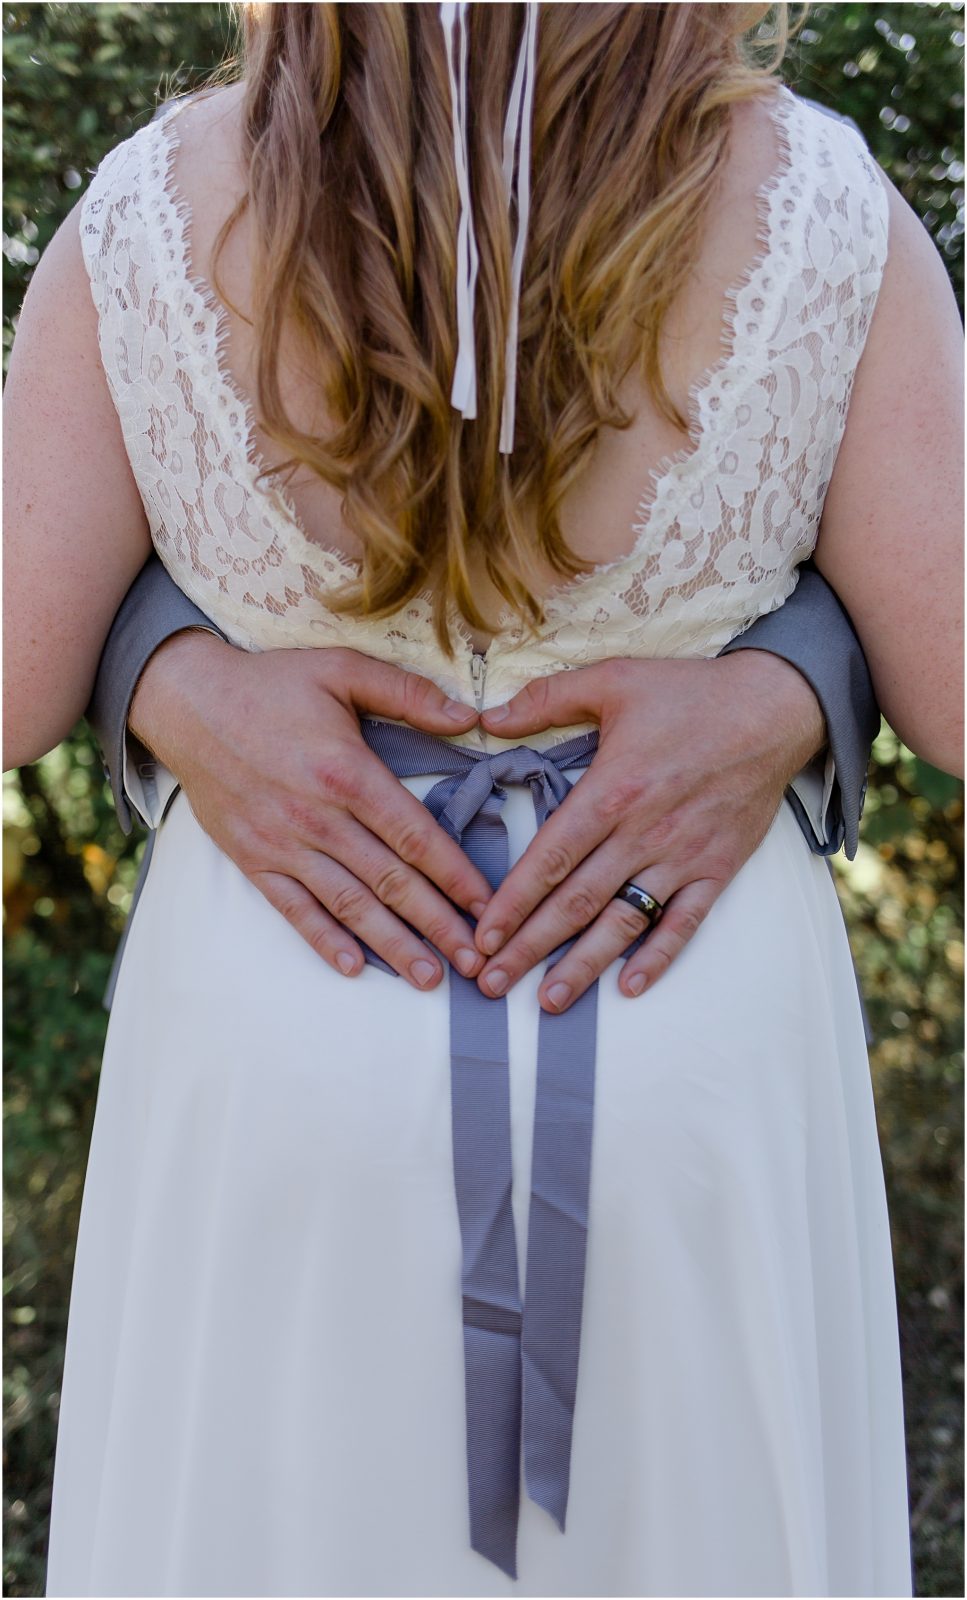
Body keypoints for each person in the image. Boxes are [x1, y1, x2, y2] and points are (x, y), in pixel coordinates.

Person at [4, 3, 962, 1595]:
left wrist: (154, 662)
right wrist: (805, 670)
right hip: (688, 1060)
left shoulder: (154, 208)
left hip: (279, 1062)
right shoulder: (821, 207)